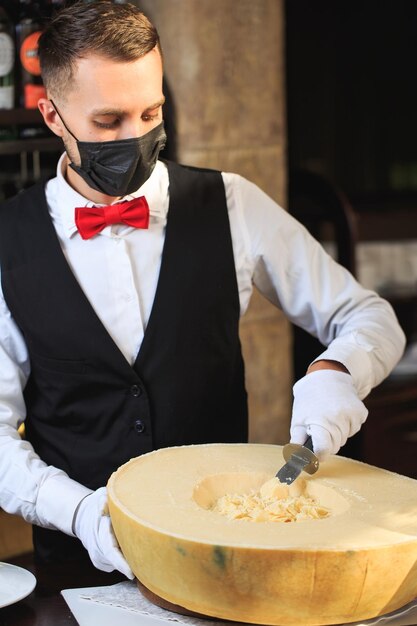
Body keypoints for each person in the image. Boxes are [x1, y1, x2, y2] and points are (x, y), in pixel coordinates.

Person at [0, 0, 405, 578]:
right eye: (108, 122)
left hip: (225, 561)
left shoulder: (233, 203)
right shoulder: (8, 241)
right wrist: (81, 512)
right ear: (52, 116)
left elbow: (368, 316)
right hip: (79, 566)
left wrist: (336, 371)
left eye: (150, 114)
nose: (135, 138)